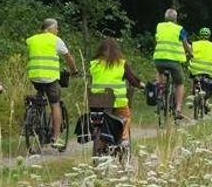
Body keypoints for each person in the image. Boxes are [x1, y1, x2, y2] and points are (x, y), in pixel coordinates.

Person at [27, 18, 79, 147]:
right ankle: (56, 138)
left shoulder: (32, 39)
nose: (57, 30)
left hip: (35, 77)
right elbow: (69, 58)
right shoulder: (56, 40)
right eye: (56, 28)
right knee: (55, 104)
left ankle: (34, 119)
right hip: (50, 78)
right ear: (49, 29)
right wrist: (74, 71)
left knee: (39, 97)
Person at [89, 38, 143, 145]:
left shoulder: (94, 64)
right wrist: (141, 85)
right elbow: (132, 80)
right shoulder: (121, 64)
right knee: (126, 116)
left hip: (97, 102)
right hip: (117, 102)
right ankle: (124, 138)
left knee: (98, 121)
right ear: (116, 51)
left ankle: (100, 141)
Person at [153, 8, 193, 120]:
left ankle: (160, 90)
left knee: (159, 70)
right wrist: (191, 53)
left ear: (165, 18)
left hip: (159, 59)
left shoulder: (159, 26)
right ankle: (178, 109)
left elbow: (157, 40)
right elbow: (185, 44)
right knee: (180, 83)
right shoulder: (179, 29)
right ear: (176, 19)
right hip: (173, 61)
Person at [189, 27, 212, 113]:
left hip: (195, 70)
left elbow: (189, 54)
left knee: (193, 80)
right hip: (207, 71)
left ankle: (193, 96)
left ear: (199, 36)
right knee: (208, 86)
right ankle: (206, 102)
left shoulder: (194, 44)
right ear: (209, 36)